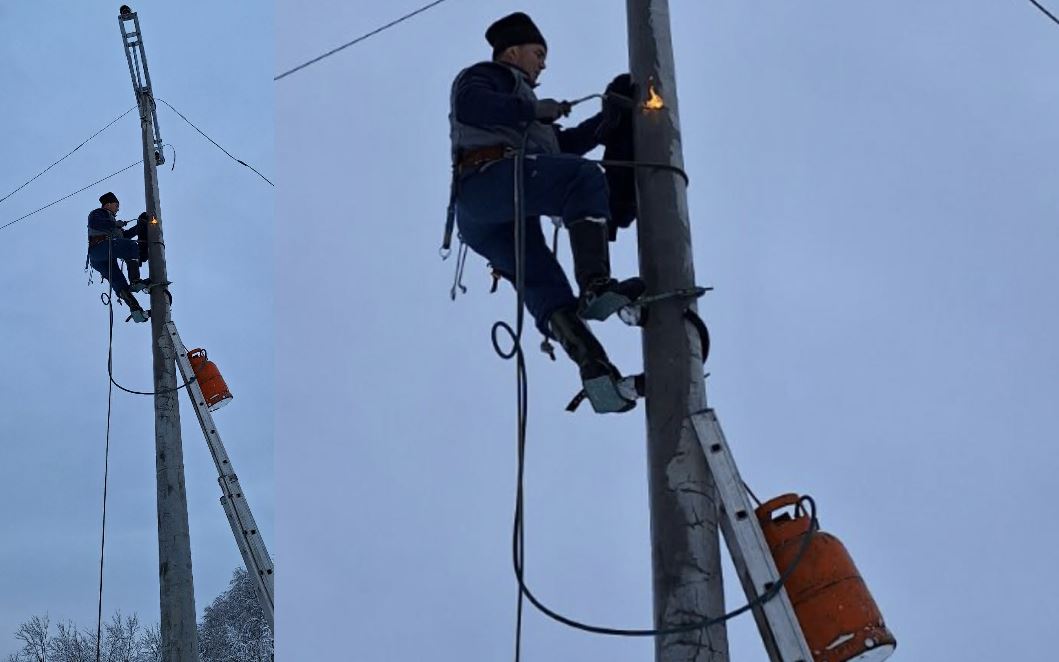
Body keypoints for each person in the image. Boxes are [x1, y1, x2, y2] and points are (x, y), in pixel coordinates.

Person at [449, 12, 644, 413]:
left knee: (544, 283)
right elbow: (470, 105)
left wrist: (609, 118)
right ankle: (595, 284)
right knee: (582, 178)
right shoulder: (487, 76)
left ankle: (595, 368)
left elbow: (565, 145)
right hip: (487, 181)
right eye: (538, 54)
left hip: (491, 212)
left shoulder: (526, 115)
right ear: (512, 52)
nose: (542, 64)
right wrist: (532, 109)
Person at [87, 192, 149, 322]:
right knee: (131, 246)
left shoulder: (113, 223)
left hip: (102, 256)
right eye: (116, 205)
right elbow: (96, 223)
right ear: (108, 204)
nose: (117, 209)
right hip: (99, 248)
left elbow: (124, 236)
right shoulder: (98, 213)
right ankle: (135, 281)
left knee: (118, 281)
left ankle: (136, 310)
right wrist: (115, 224)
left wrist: (140, 225)